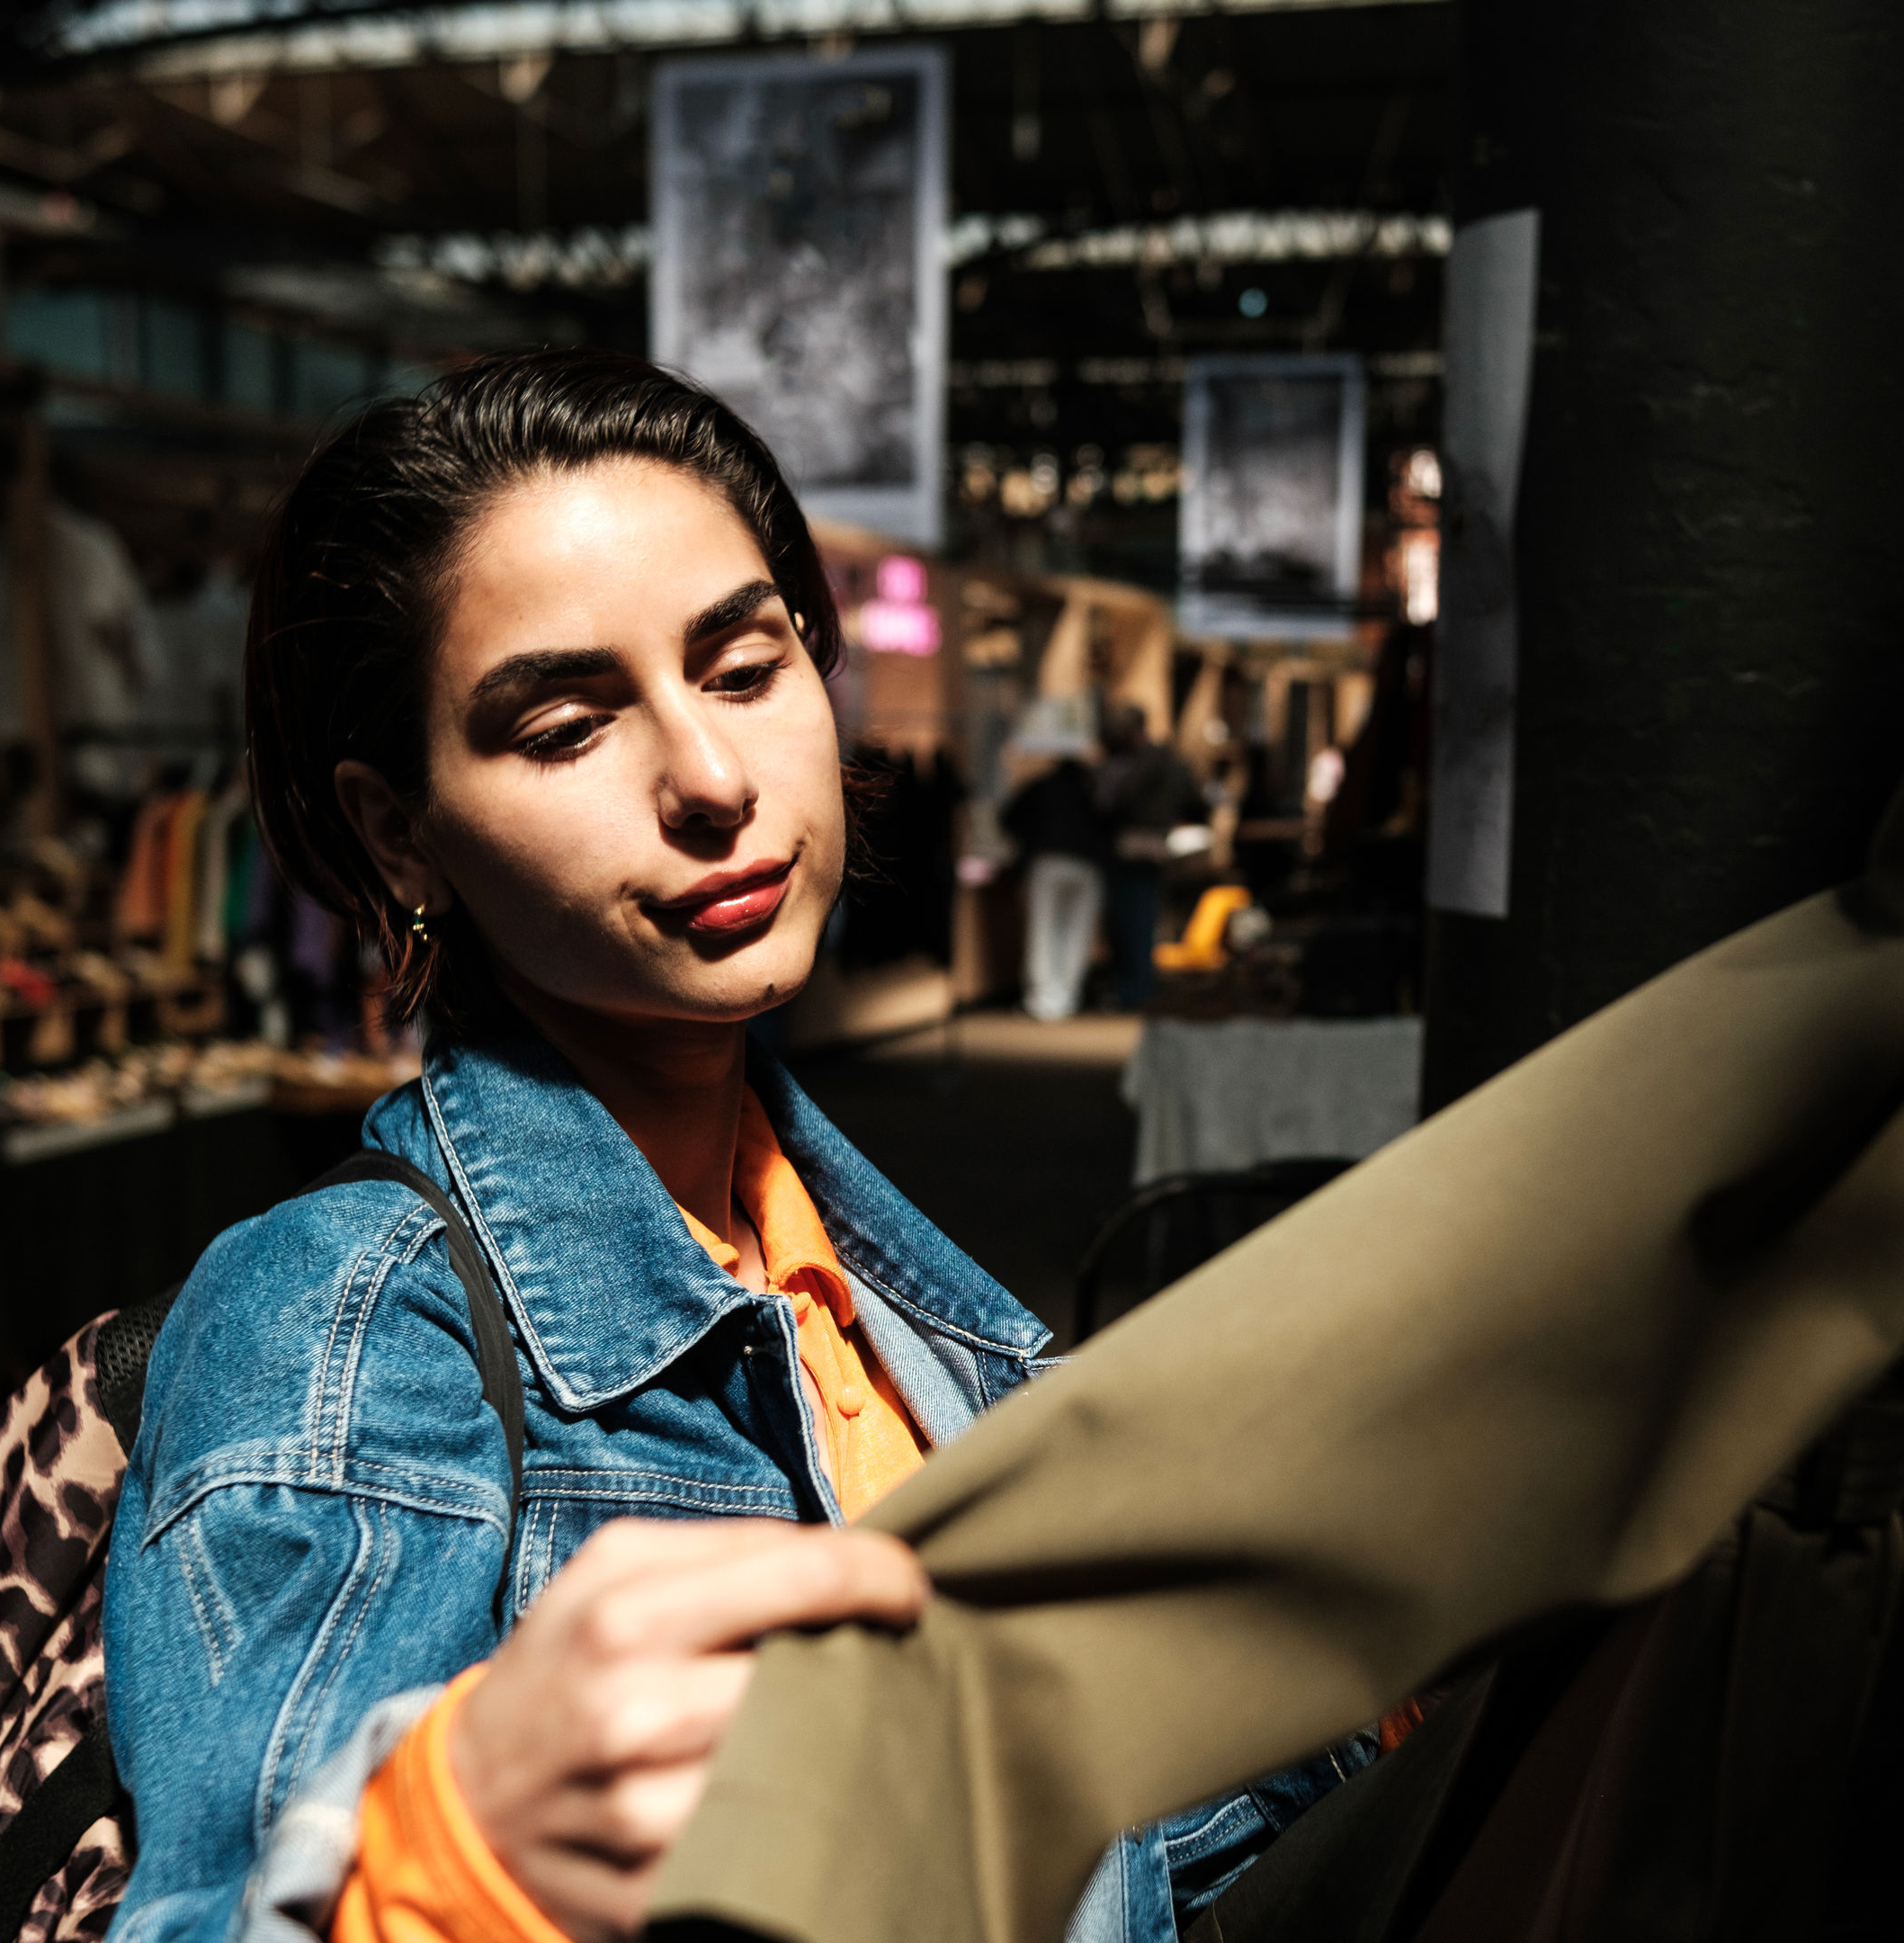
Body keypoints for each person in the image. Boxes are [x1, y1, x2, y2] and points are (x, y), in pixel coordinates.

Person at [103, 351, 1369, 1943]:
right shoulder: (339, 1329)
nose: (710, 781)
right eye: (565, 726)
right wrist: (445, 1863)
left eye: (747, 668)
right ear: (397, 829)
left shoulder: (857, 1267)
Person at [1093, 704, 1196, 1013]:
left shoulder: (1146, 762)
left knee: (1132, 920)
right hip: (1150, 844)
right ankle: (1136, 987)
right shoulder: (1162, 759)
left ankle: (1135, 989)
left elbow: (1118, 801)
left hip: (1135, 846)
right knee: (1137, 918)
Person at [999, 738, 1104, 1022]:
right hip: (1085, 865)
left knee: (1044, 930)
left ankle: (1045, 999)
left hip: (1049, 862)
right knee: (1075, 933)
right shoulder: (1090, 791)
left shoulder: (1042, 786)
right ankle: (1067, 997)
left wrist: (1028, 841)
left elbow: (1008, 818)